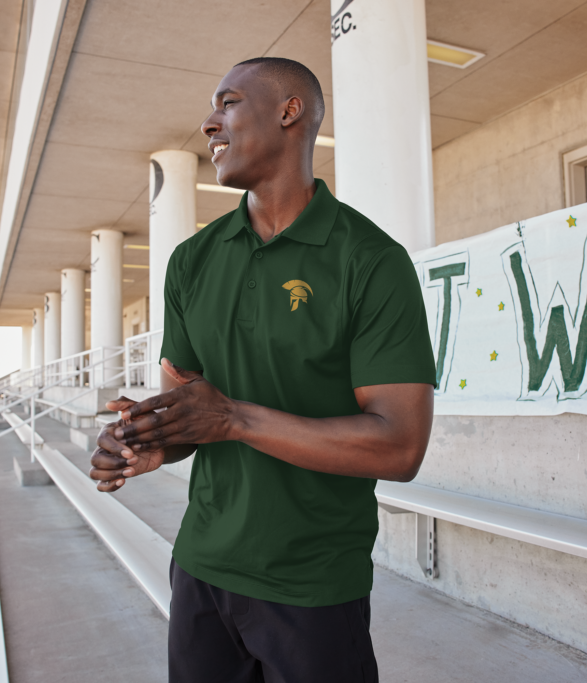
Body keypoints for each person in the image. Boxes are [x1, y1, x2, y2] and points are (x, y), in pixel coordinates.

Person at [90, 57, 437, 683]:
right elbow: (186, 417)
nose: (208, 123)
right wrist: (143, 441)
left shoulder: (371, 261)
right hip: (200, 571)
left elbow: (400, 446)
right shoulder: (192, 261)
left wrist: (234, 418)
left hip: (313, 588)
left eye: (228, 103)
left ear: (288, 111)